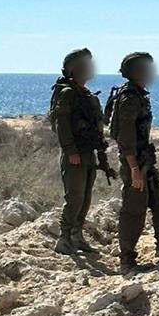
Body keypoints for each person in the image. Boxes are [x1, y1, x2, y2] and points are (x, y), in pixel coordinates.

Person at [107, 51, 159, 274]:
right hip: (134, 163)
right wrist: (134, 169)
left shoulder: (138, 95)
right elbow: (124, 139)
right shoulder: (128, 99)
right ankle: (127, 260)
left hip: (145, 161)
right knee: (134, 210)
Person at [49, 47, 108, 256]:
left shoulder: (88, 96)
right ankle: (63, 238)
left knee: (85, 198)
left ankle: (77, 235)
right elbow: (62, 125)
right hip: (74, 154)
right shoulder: (67, 95)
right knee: (74, 197)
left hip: (88, 153)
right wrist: (70, 150)